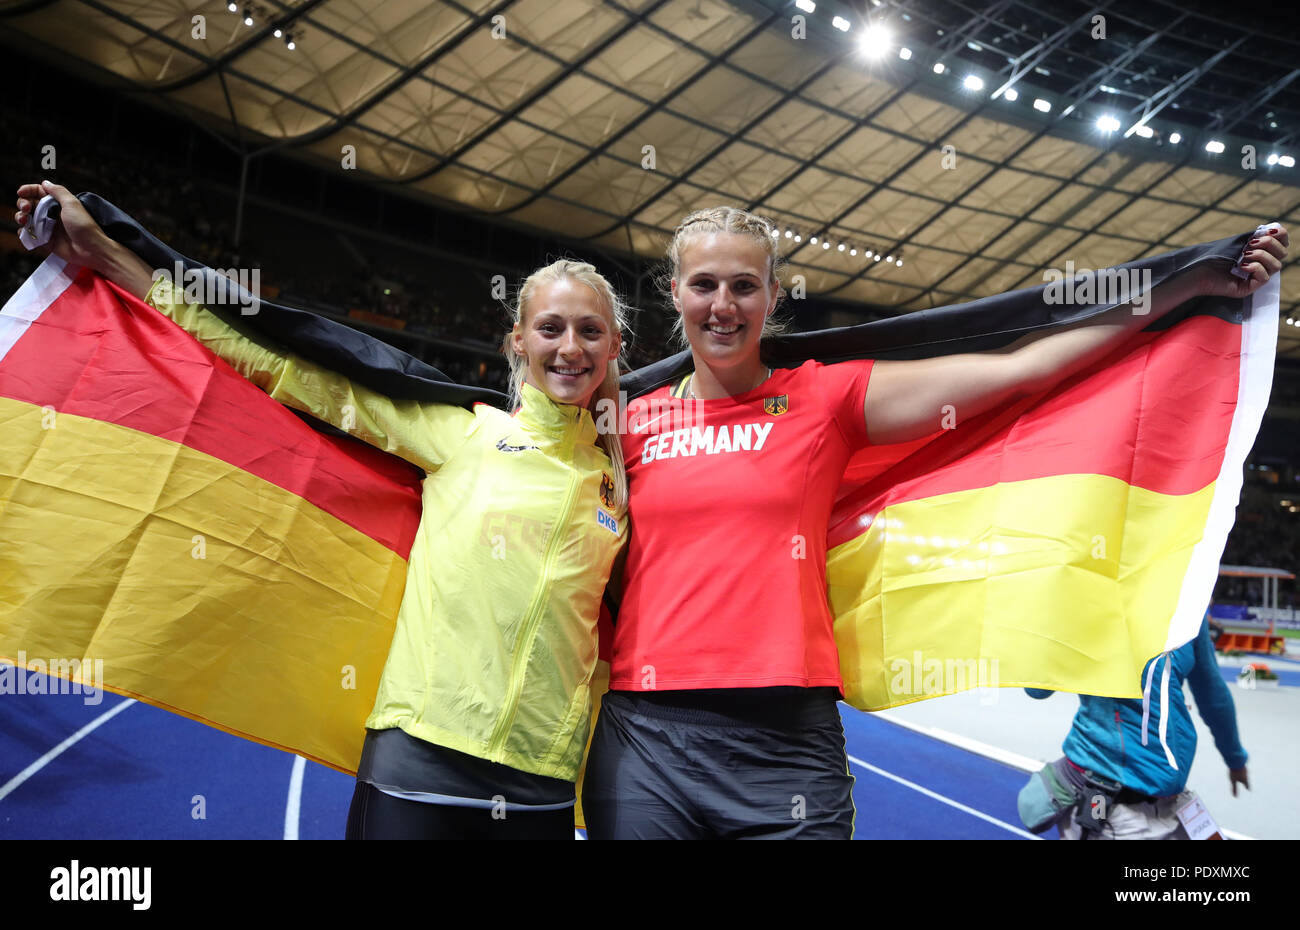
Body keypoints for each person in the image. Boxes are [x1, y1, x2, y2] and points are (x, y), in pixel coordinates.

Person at [581, 205, 1287, 840]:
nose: (723, 303)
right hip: (646, 737)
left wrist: (1186, 285)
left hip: (786, 742)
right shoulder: (629, 424)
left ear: (772, 295)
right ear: (675, 292)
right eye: (704, 284)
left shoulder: (826, 397)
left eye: (744, 285)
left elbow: (1022, 369)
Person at [14, 180, 630, 840]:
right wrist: (106, 255)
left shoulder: (618, 484)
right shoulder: (462, 434)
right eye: (551, 328)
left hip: (544, 776)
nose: (571, 347)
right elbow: (291, 369)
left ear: (614, 347)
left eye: (590, 331)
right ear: (517, 342)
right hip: (421, 751)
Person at [1018, 612, 1249, 839]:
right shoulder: (1091, 598)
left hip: (1171, 799)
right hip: (1109, 801)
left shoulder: (1187, 602)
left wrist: (1235, 758)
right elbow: (1037, 688)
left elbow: (1213, 694)